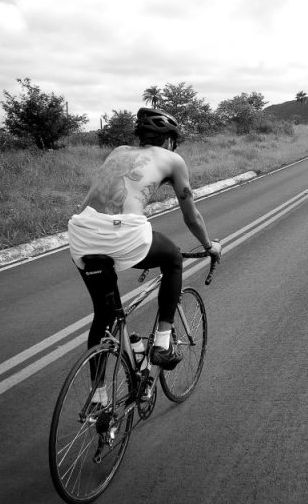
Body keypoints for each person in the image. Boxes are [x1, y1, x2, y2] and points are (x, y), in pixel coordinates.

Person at [68, 108, 222, 386]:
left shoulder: (117, 151)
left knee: (104, 315)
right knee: (173, 257)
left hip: (81, 233)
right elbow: (191, 216)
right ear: (169, 140)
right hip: (124, 234)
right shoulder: (173, 159)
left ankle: (100, 395)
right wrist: (209, 246)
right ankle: (162, 343)